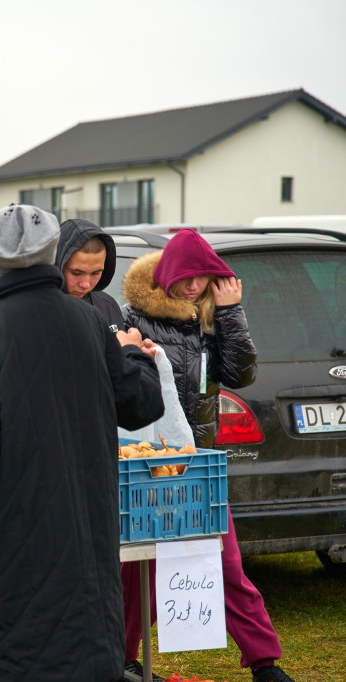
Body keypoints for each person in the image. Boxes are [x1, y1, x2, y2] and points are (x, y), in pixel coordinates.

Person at [0, 204, 166, 682]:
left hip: (22, 556)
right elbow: (143, 404)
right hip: (91, 546)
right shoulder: (89, 322)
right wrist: (133, 355)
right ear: (51, 255)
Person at [121, 228, 294, 682]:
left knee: (227, 563)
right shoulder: (131, 318)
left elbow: (240, 374)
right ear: (167, 274)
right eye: (186, 277)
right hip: (142, 465)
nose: (194, 286)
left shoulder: (211, 322)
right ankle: (121, 658)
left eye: (203, 277)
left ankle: (265, 663)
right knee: (137, 569)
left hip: (199, 465)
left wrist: (232, 311)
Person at [55, 218, 124, 330]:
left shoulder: (108, 307)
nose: (86, 284)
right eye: (76, 273)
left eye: (96, 273)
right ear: (58, 263)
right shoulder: (37, 309)